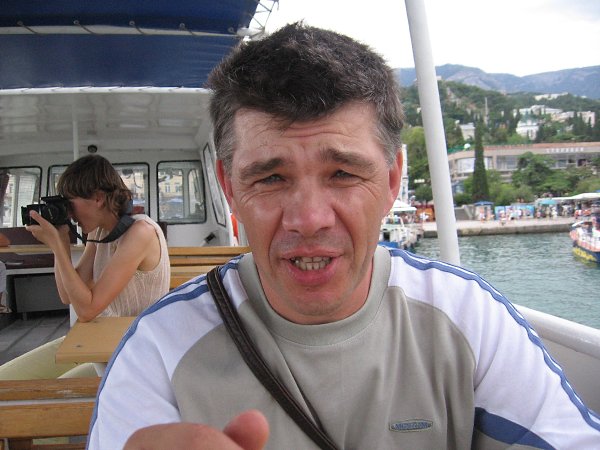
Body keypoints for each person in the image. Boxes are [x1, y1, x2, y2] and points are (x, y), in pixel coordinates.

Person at [89, 23, 600, 449]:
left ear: (392, 180)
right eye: (271, 178)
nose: (309, 218)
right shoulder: (158, 353)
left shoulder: (467, 319)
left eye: (343, 174)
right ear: (229, 188)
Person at [0, 154, 170, 379]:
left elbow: (88, 310)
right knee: (6, 377)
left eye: (70, 204)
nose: (69, 214)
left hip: (132, 358)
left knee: (39, 390)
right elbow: (67, 295)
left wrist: (57, 246)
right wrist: (60, 243)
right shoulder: (100, 232)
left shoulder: (140, 233)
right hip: (103, 345)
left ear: (98, 198)